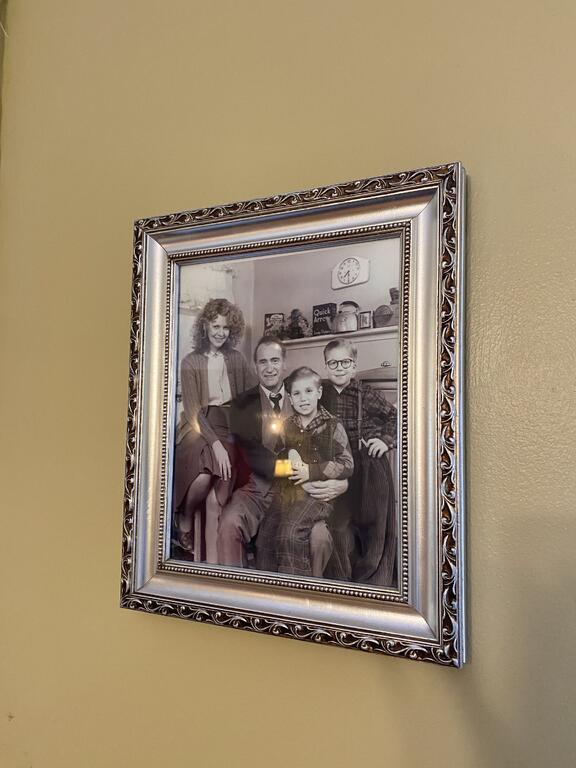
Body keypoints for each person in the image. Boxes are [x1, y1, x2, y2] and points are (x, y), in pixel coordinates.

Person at [217, 337, 340, 571]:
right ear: (255, 367)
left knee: (319, 537)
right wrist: (295, 468)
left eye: (275, 360)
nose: (269, 368)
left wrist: (335, 480)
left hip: (302, 488)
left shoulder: (306, 391)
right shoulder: (242, 404)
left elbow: (332, 440)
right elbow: (255, 458)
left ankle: (309, 590)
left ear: (284, 364)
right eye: (262, 362)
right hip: (260, 487)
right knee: (229, 523)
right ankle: (238, 587)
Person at [172, 298, 256, 558]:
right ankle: (184, 518)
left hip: (230, 424)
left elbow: (251, 397)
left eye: (226, 327)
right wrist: (216, 443)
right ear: (205, 326)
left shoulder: (237, 359)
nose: (221, 332)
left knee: (221, 470)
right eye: (216, 326)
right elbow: (194, 411)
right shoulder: (190, 362)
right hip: (199, 424)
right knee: (202, 473)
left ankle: (215, 550)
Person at [256, 367, 354, 577]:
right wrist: (289, 462)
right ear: (290, 399)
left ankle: (297, 587)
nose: (303, 398)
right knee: (264, 538)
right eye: (297, 393)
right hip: (288, 494)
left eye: (308, 391)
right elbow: (275, 466)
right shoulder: (287, 426)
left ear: (319, 393)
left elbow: (347, 464)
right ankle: (271, 590)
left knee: (290, 534)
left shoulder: (332, 425)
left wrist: (311, 471)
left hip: (317, 496)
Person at [320, 339, 398, 586]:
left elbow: (396, 416)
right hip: (338, 469)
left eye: (345, 362)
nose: (339, 368)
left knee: (375, 529)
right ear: (326, 366)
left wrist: (385, 441)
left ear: (354, 366)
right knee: (338, 527)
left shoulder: (367, 394)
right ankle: (343, 583)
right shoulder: (321, 393)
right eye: (333, 363)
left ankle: (374, 583)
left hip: (369, 467)